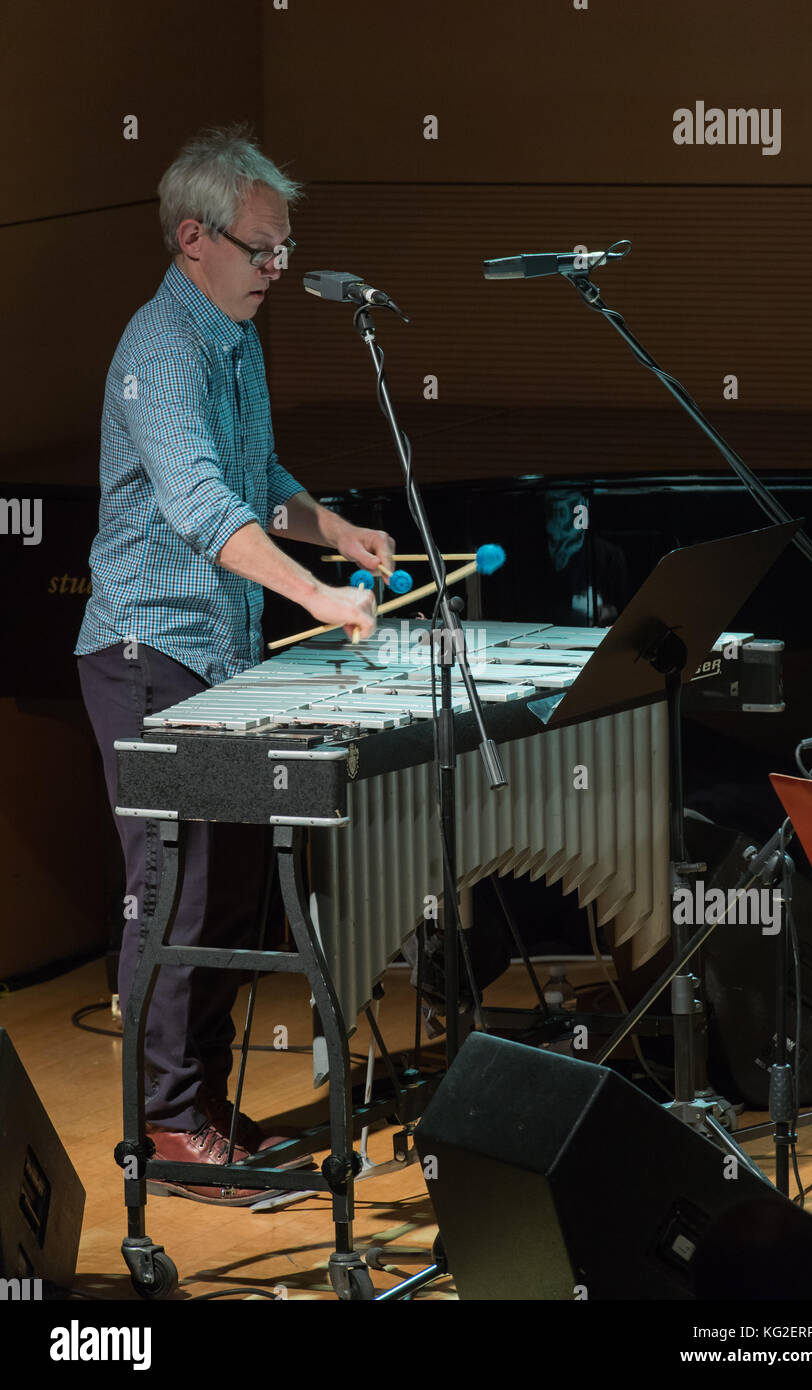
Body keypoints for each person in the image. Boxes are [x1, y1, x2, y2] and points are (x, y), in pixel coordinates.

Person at [75, 125, 392, 1204]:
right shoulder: (159, 353)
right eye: (263, 249)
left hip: (216, 654)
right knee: (177, 892)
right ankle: (164, 1125)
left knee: (232, 886)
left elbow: (254, 476)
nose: (278, 270)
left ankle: (200, 1100)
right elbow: (207, 509)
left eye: (286, 249)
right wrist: (316, 595)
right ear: (192, 238)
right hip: (147, 653)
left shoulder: (236, 336)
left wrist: (335, 532)